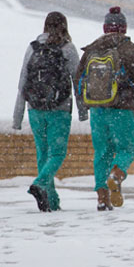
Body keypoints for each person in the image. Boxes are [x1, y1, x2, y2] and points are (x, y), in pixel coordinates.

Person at [75, 6, 134, 211]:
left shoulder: (91, 50)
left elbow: (79, 79)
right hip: (123, 109)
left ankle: (101, 198)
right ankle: (116, 174)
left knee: (102, 153)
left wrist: (86, 104)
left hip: (98, 111)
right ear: (124, 28)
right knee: (127, 149)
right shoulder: (131, 50)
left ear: (105, 28)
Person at [13, 11, 86, 212]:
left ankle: (51, 200)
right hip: (59, 109)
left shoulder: (33, 47)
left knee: (43, 153)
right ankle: (39, 184)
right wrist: (82, 110)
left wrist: (17, 117)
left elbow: (22, 81)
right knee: (57, 153)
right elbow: (77, 81)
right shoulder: (68, 49)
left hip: (34, 109)